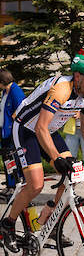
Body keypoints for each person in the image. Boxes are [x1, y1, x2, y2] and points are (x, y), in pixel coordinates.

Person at [0, 48, 84, 253]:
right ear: (78, 76)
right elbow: (40, 127)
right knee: (36, 185)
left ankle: (48, 221)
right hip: (26, 129)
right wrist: (55, 157)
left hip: (47, 130)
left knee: (74, 173)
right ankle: (7, 225)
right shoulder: (61, 90)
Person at [0, 69, 25, 197]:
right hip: (4, 131)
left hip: (13, 132)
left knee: (13, 159)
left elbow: (22, 110)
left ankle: (16, 185)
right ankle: (10, 185)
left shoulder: (15, 91)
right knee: (6, 159)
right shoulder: (5, 91)